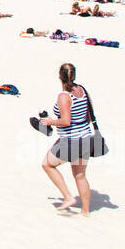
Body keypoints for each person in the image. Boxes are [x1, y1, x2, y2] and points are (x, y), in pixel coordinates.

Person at [38, 63, 99, 216]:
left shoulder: (64, 96)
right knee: (80, 176)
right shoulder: (82, 90)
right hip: (85, 138)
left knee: (47, 165)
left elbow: (66, 121)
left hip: (71, 141)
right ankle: (85, 211)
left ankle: (68, 197)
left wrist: (50, 122)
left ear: (60, 77)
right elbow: (88, 114)